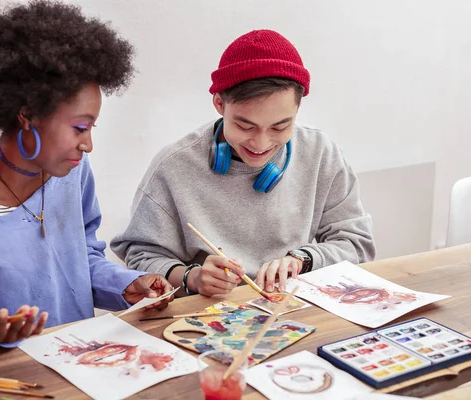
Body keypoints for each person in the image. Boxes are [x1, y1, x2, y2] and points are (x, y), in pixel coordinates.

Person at [0, 0, 173, 356]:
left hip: (70, 367)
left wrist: (127, 285)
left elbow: (80, 260)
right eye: (79, 127)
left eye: (92, 128)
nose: (88, 144)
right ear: (28, 115)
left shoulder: (72, 174)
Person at [111, 29, 375, 298]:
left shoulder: (321, 153)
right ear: (219, 104)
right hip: (209, 315)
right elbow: (140, 257)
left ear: (297, 109)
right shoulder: (173, 167)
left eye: (280, 127)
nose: (261, 144)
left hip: (293, 308)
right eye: (244, 125)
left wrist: (303, 260)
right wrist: (193, 277)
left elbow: (356, 244)